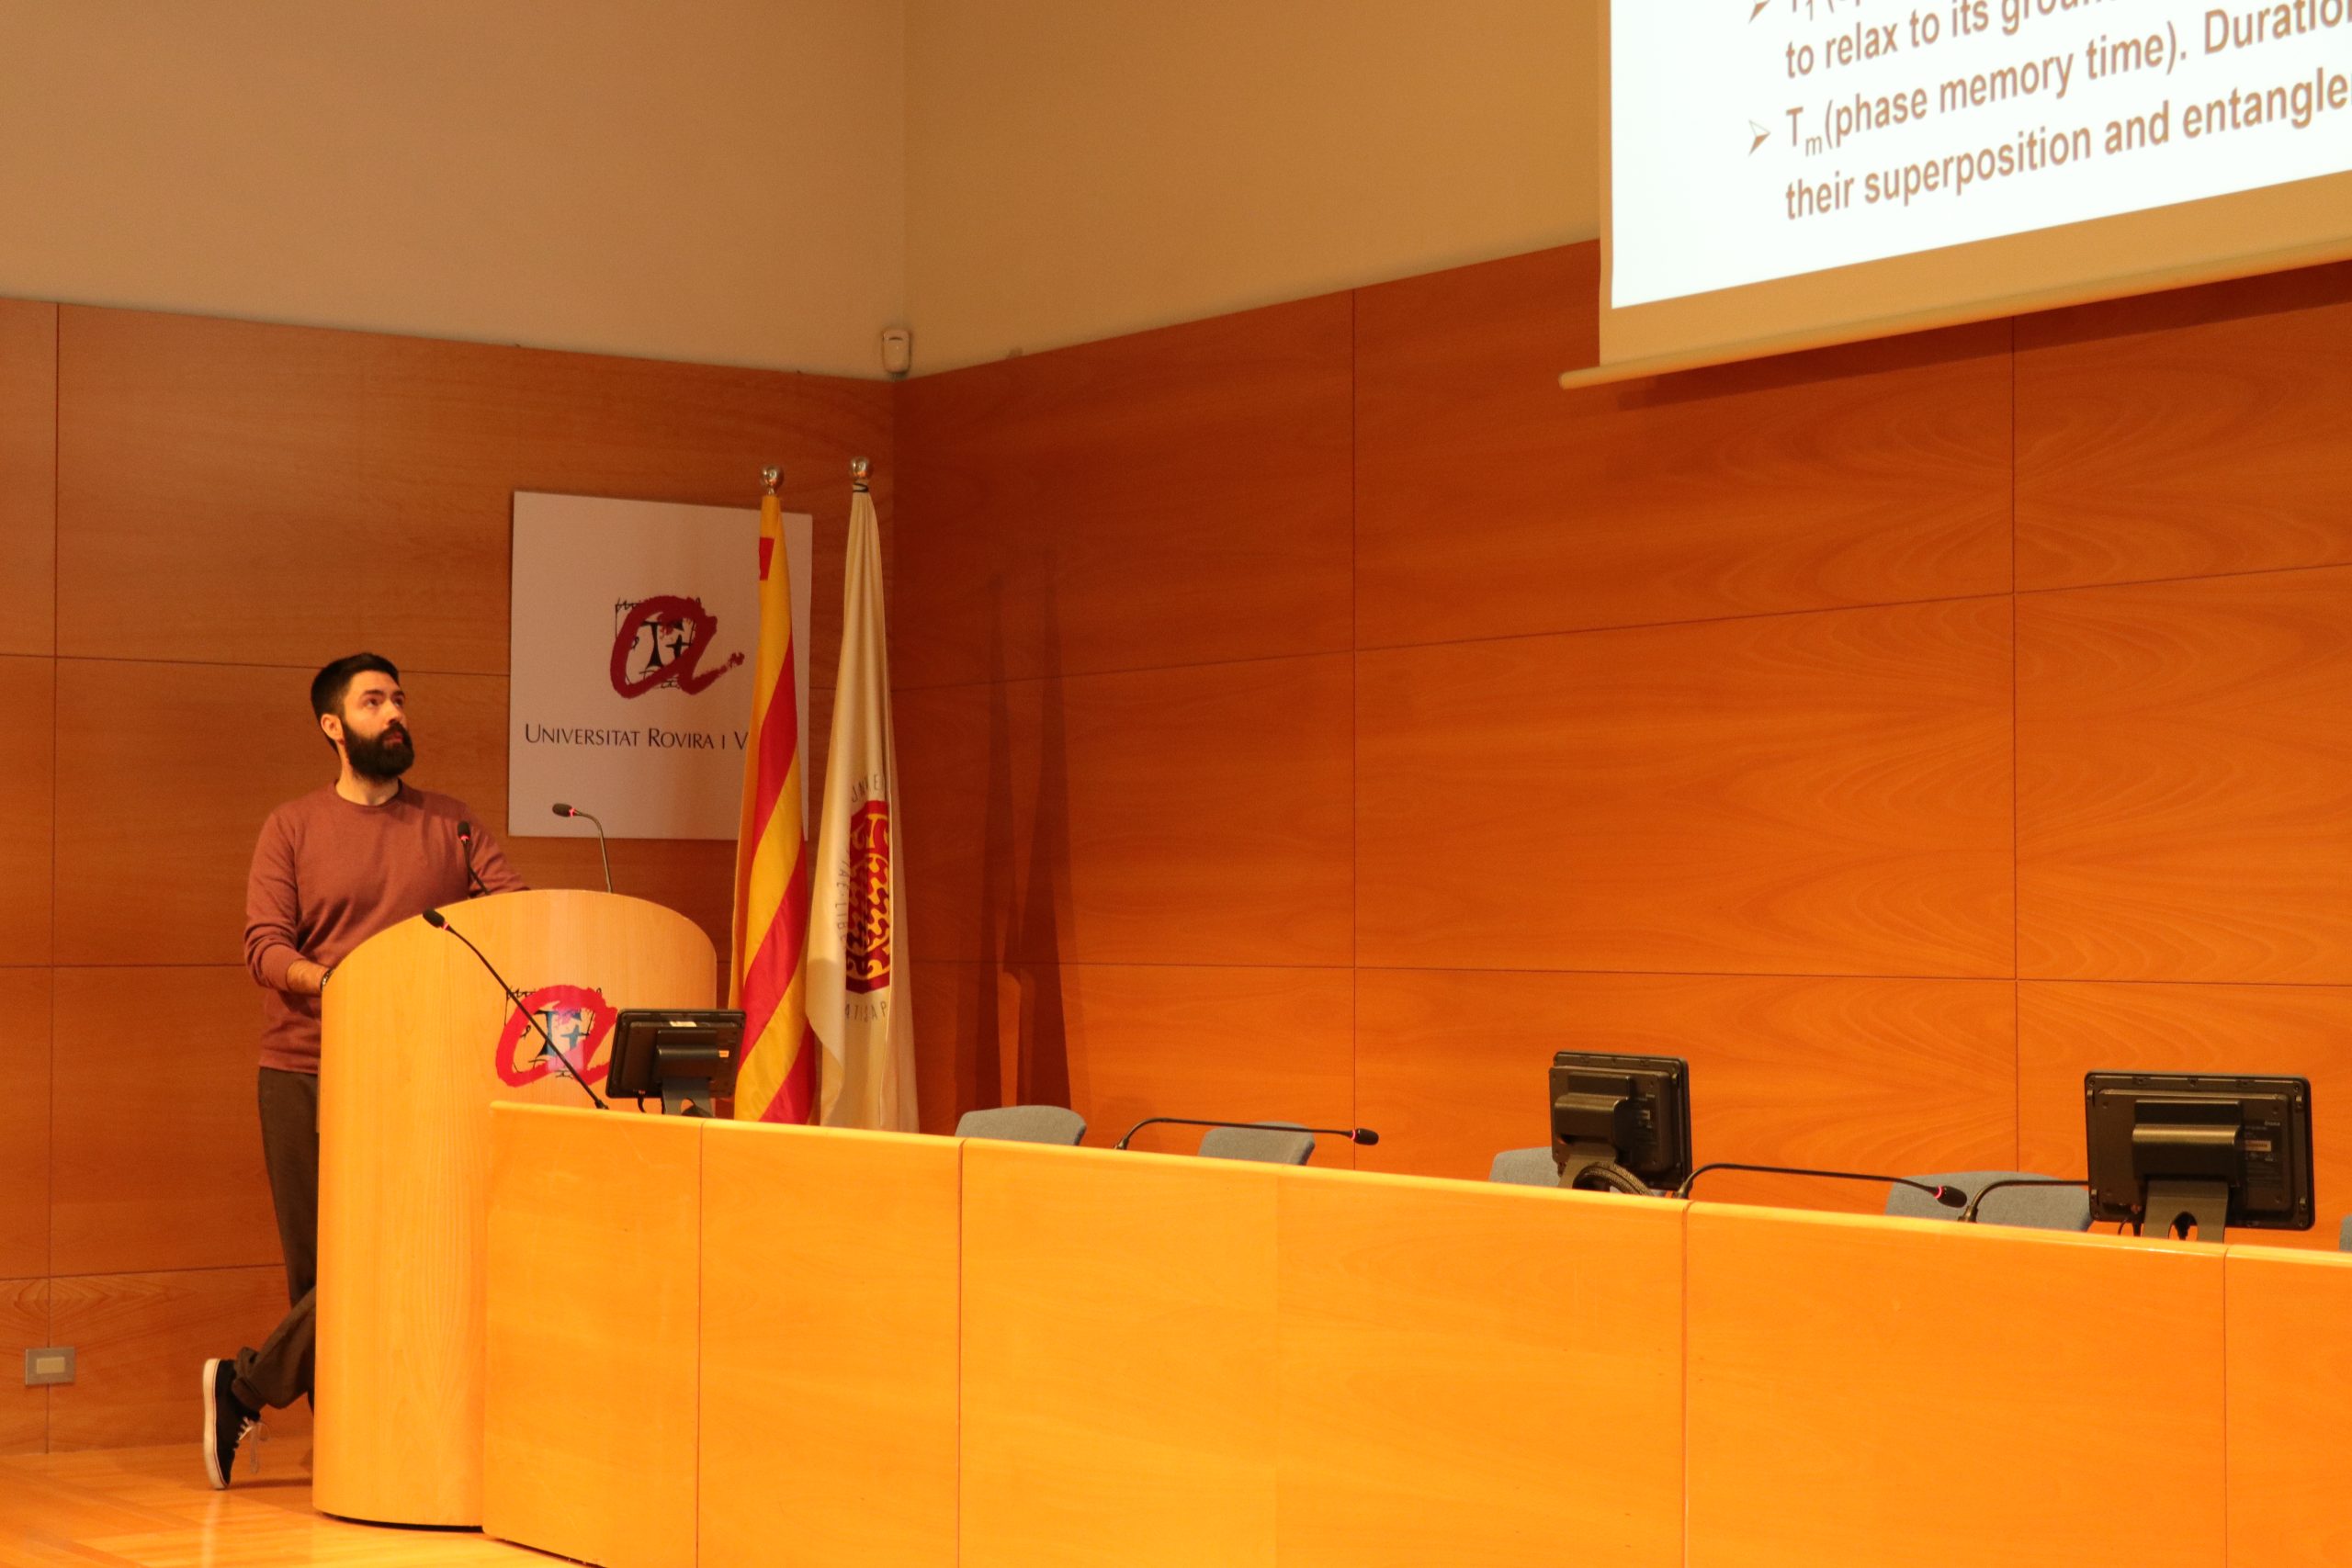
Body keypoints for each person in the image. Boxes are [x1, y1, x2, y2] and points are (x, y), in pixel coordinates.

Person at [203, 653, 526, 1488]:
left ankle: (245, 1387)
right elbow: (264, 945)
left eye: (398, 699)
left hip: (422, 1071)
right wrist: (332, 982)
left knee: (393, 1248)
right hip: (306, 1065)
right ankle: (348, 1447)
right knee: (323, 1267)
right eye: (374, 701)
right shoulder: (292, 826)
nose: (394, 713)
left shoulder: (452, 825)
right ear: (333, 725)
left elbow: (515, 915)